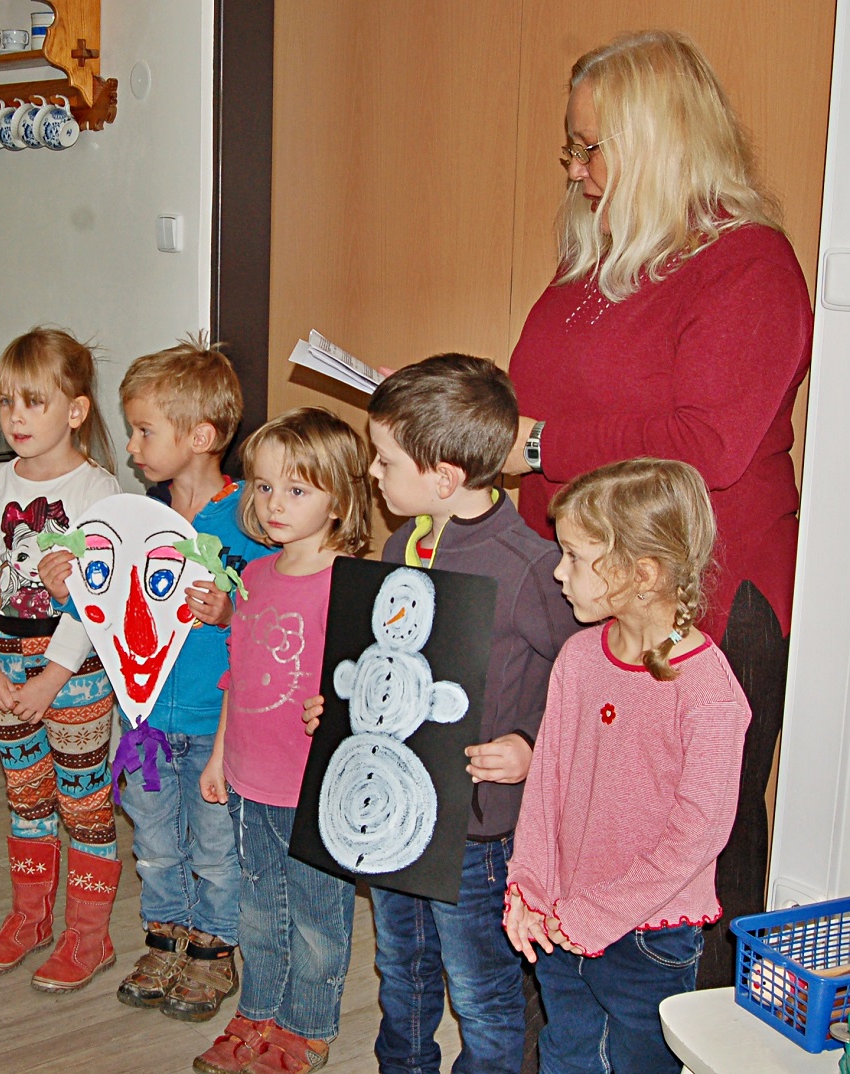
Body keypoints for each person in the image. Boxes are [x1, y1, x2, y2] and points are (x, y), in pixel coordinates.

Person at [504, 30, 811, 986]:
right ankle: (569, 1023)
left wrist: (541, 447)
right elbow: (542, 406)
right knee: (578, 816)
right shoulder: (594, 261)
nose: (575, 169)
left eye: (590, 147)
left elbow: (705, 442)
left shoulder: (748, 264)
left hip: (701, 600)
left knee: (700, 842)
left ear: (659, 139)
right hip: (589, 581)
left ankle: (703, 1024)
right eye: (571, 147)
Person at [302, 355, 580, 1072]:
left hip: (478, 827)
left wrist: (530, 745)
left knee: (481, 991)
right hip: (394, 814)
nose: (372, 472)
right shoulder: (404, 544)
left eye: (386, 459)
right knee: (402, 967)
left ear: (445, 477)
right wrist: (344, 713)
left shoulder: (531, 568)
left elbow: (582, 678)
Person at [39, 337, 273, 1020]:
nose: (132, 446)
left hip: (213, 724)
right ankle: (166, 938)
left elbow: (277, 617)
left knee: (216, 845)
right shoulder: (135, 519)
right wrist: (68, 588)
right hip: (142, 723)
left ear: (201, 436)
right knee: (155, 842)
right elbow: (109, 610)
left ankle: (213, 949)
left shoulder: (252, 519)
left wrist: (231, 612)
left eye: (145, 431)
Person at [504, 458, 751, 1073]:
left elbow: (698, 836)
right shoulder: (578, 657)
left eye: (575, 557)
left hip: (649, 936)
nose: (558, 571)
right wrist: (528, 884)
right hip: (562, 917)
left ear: (642, 573)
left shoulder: (709, 692)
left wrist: (594, 916)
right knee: (566, 1054)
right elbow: (547, 785)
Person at [194, 407, 373, 1074]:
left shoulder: (353, 586)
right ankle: (258, 1010)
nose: (274, 504)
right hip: (249, 777)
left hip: (315, 789)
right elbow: (237, 674)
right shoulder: (256, 577)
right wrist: (219, 757)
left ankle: (307, 1026)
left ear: (340, 499)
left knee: (317, 915)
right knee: (258, 908)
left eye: (296, 490)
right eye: (264, 486)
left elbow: (370, 693)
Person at [0, 328, 123, 993]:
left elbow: (95, 602)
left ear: (76, 410)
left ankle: (89, 935)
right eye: (6, 402)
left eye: (34, 401)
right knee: (26, 797)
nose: (16, 417)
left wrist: (53, 678)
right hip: (5, 670)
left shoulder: (99, 492)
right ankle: (29, 919)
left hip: (73, 675)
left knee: (83, 802)